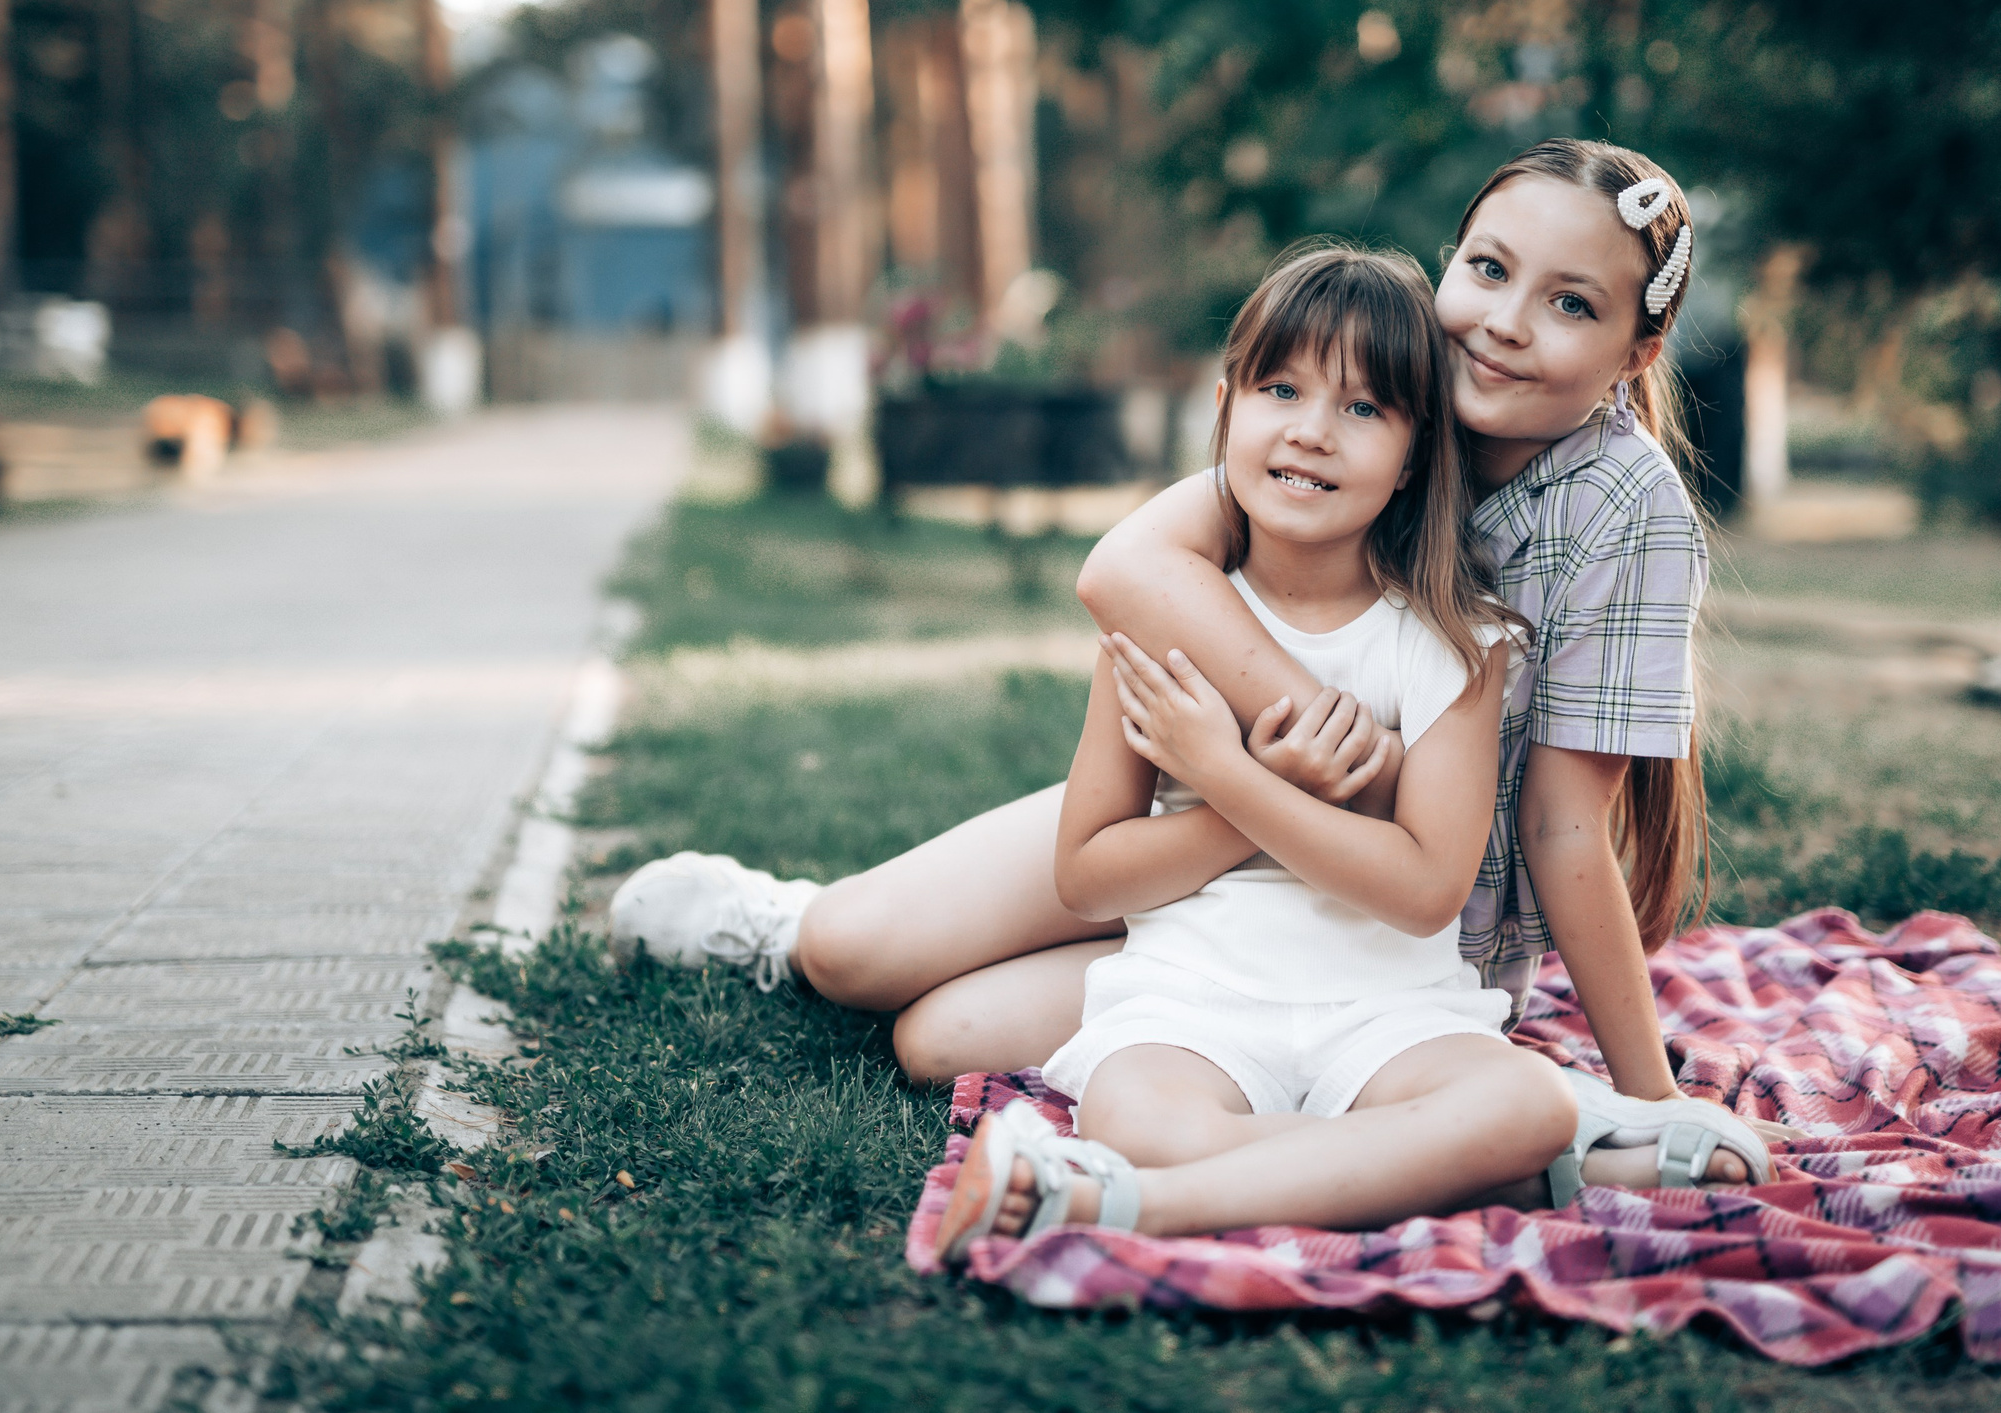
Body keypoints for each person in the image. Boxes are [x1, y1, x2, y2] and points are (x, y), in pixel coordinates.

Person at [613, 138, 1784, 1190]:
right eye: (1486, 268)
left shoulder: (1624, 502)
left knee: (949, 1031)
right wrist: (1304, 745)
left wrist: (1652, 1091)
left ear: (1638, 348)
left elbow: (1566, 824)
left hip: (1405, 926)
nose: (1504, 321)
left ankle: (1564, 1126)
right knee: (857, 958)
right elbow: (1125, 568)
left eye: (1568, 303)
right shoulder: (1359, 384)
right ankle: (782, 922)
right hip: (1219, 812)